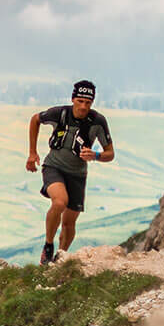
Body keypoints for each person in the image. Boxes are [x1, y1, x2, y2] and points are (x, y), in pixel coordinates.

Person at [26, 80, 114, 265]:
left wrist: (95, 155)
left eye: (88, 103)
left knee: (69, 222)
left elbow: (110, 154)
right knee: (59, 202)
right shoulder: (60, 113)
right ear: (73, 99)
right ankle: (48, 246)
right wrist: (32, 153)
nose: (83, 106)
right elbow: (35, 119)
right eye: (80, 101)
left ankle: (61, 256)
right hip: (54, 167)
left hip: (77, 174)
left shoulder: (98, 121)